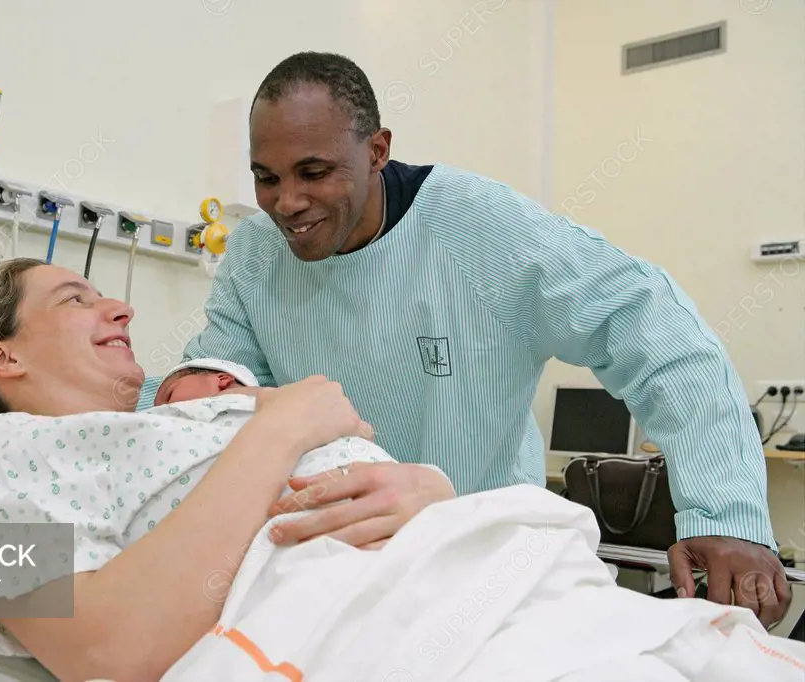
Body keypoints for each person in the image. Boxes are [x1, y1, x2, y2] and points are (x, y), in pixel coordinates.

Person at [143, 50, 792, 627]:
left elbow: (653, 326)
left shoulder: (474, 227)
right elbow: (214, 401)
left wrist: (727, 515)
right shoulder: (255, 255)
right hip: (331, 577)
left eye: (313, 171)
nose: (286, 203)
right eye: (266, 177)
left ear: (376, 151)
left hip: (487, 567)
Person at [0, 257, 454, 682]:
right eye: (74, 299)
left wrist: (435, 498)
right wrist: (282, 429)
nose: (122, 310)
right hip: (378, 625)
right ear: (3, 357)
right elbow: (103, 651)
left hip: (445, 569)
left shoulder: (173, 422)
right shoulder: (2, 451)